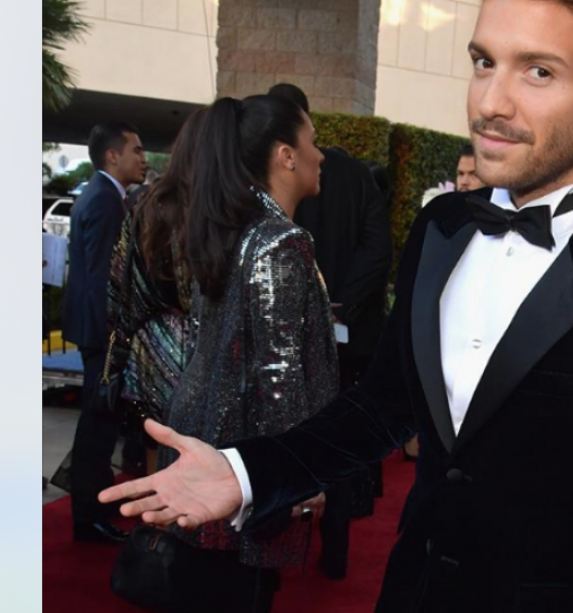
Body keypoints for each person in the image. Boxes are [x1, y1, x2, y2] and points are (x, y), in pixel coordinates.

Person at [104, 0, 573, 611]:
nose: (491, 102)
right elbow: (383, 407)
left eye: (539, 72)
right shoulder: (442, 229)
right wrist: (246, 472)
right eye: (483, 61)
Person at [151, 95, 338, 612]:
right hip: (240, 460)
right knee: (236, 594)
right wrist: (297, 472)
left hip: (205, 438)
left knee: (204, 587)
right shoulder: (280, 241)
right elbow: (278, 373)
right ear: (286, 155)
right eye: (313, 142)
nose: (321, 155)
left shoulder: (229, 229)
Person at [268, 82, 393, 580]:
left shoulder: (264, 169)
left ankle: (273, 552)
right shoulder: (354, 174)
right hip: (345, 331)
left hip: (292, 335)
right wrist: (340, 305)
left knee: (281, 435)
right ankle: (333, 552)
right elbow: (377, 249)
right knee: (335, 438)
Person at [106, 108, 207, 477]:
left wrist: (124, 337)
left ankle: (154, 531)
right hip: (191, 346)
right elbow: (195, 287)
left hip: (147, 343)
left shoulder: (144, 201)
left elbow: (119, 280)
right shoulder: (208, 208)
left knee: (155, 448)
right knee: (191, 456)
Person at [62, 121, 146, 543]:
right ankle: (88, 516)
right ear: (113, 156)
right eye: (136, 150)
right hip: (101, 332)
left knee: (99, 423)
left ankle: (90, 510)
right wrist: (116, 335)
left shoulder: (101, 196)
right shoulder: (107, 201)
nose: (143, 158)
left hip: (94, 329)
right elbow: (101, 278)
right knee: (98, 425)